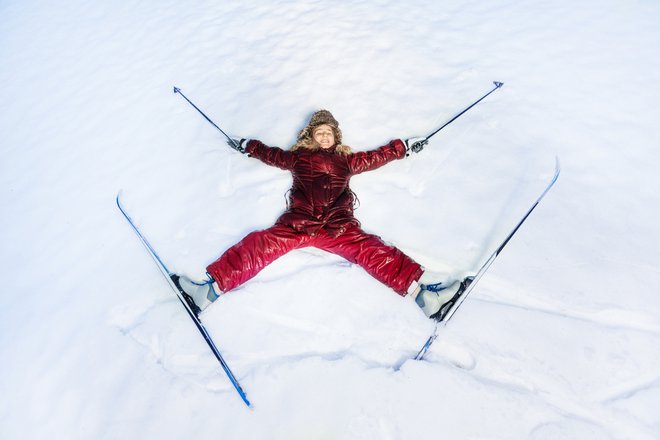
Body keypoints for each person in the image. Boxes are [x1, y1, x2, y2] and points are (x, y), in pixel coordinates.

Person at [174, 110, 465, 320]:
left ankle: (425, 297)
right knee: (258, 244)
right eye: (319, 132)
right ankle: (208, 292)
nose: (324, 135)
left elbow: (377, 157)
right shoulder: (298, 157)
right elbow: (271, 154)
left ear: (336, 137)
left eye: (329, 132)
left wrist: (402, 148)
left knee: (374, 250)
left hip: (338, 228)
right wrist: (248, 147)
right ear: (311, 136)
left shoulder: (346, 160)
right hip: (299, 224)